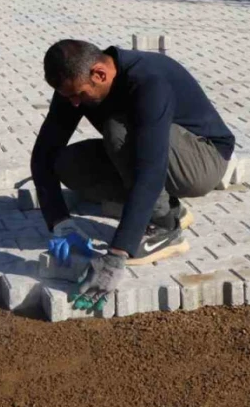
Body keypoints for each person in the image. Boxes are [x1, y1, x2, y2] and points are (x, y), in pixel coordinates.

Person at [30, 40, 235, 311]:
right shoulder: (74, 85)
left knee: (118, 131)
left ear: (99, 74)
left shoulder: (149, 81)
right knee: (67, 164)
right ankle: (168, 207)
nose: (74, 103)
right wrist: (59, 221)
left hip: (202, 158)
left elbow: (151, 169)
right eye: (69, 97)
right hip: (154, 151)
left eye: (78, 94)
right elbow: (43, 154)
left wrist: (116, 255)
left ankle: (166, 226)